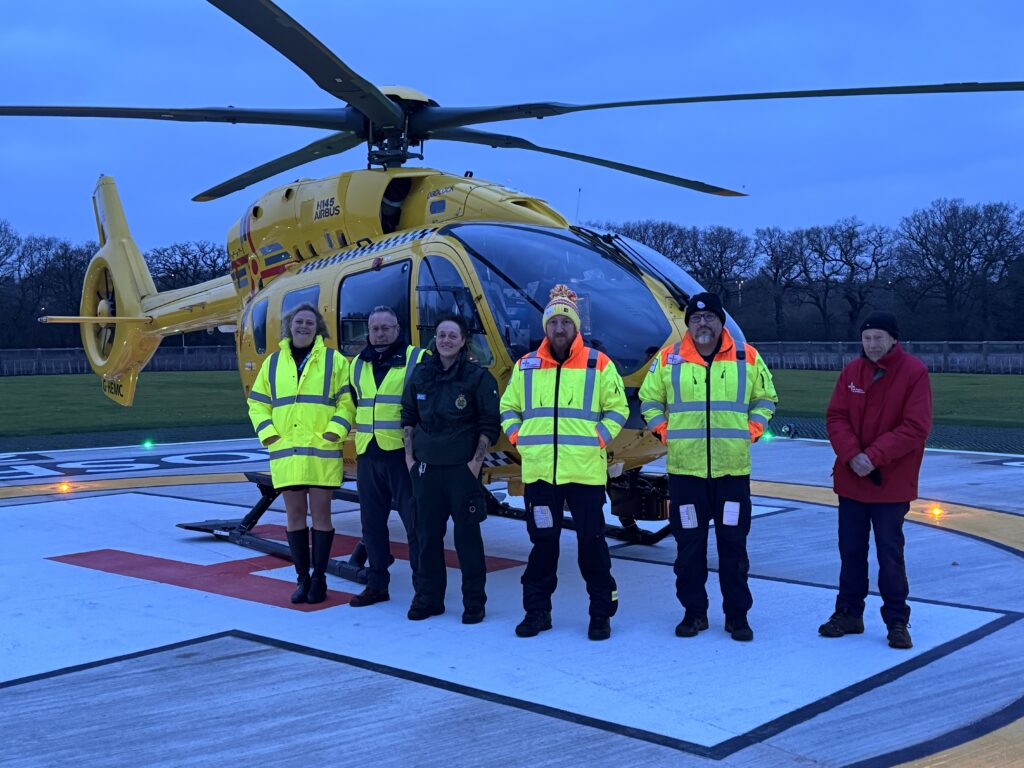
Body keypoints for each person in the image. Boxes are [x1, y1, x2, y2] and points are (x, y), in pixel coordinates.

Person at [639, 292, 777, 642]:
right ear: (688, 324)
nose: (702, 324)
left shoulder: (748, 357)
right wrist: (663, 430)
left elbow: (766, 398)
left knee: (734, 546)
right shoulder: (668, 359)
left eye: (709, 318)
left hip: (731, 472)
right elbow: (649, 400)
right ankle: (694, 613)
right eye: (696, 319)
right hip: (687, 474)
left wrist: (753, 429)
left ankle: (737, 616)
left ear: (721, 322)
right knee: (689, 548)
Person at [500, 285, 629, 641]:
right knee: (543, 545)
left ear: (576, 327)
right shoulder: (526, 366)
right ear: (546, 327)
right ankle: (537, 611)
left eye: (565, 322)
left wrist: (598, 438)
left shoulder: (597, 363)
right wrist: (518, 436)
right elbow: (508, 408)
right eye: (554, 322)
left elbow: (618, 409)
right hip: (541, 475)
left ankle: (600, 613)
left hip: (585, 474)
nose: (559, 328)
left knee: (592, 544)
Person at [820, 311, 931, 649]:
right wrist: (853, 455)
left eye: (878, 338)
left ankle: (897, 619)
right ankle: (849, 612)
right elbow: (836, 416)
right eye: (867, 338)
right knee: (851, 550)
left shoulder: (913, 372)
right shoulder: (852, 371)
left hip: (890, 481)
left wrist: (874, 456)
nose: (872, 344)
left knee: (889, 552)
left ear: (893, 339)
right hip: (852, 477)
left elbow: (915, 426)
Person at [247, 303, 355, 604]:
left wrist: (335, 431)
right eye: (299, 322)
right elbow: (257, 403)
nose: (304, 327)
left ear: (318, 327)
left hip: (321, 452)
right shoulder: (272, 363)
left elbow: (347, 402)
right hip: (286, 452)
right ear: (289, 326)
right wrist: (268, 433)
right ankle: (302, 579)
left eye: (309, 322)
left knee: (322, 515)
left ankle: (319, 579)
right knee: (294, 516)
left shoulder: (335, 361)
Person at [401, 315, 501, 623]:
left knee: (467, 539)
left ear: (462, 341)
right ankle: (429, 598)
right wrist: (409, 457)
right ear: (435, 339)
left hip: (461, 470)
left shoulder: (477, 377)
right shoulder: (420, 374)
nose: (446, 340)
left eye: (452, 335)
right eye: (442, 334)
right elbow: (407, 416)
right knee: (427, 537)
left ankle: (474, 602)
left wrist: (475, 463)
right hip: (425, 470)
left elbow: (489, 423)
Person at [347, 306, 428, 608]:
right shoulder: (357, 364)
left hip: (402, 455)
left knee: (415, 523)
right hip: (368, 453)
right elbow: (354, 401)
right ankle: (377, 583)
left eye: (386, 327)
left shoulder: (417, 359)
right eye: (375, 328)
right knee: (371, 524)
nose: (380, 333)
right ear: (368, 331)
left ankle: (424, 589)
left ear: (397, 329)